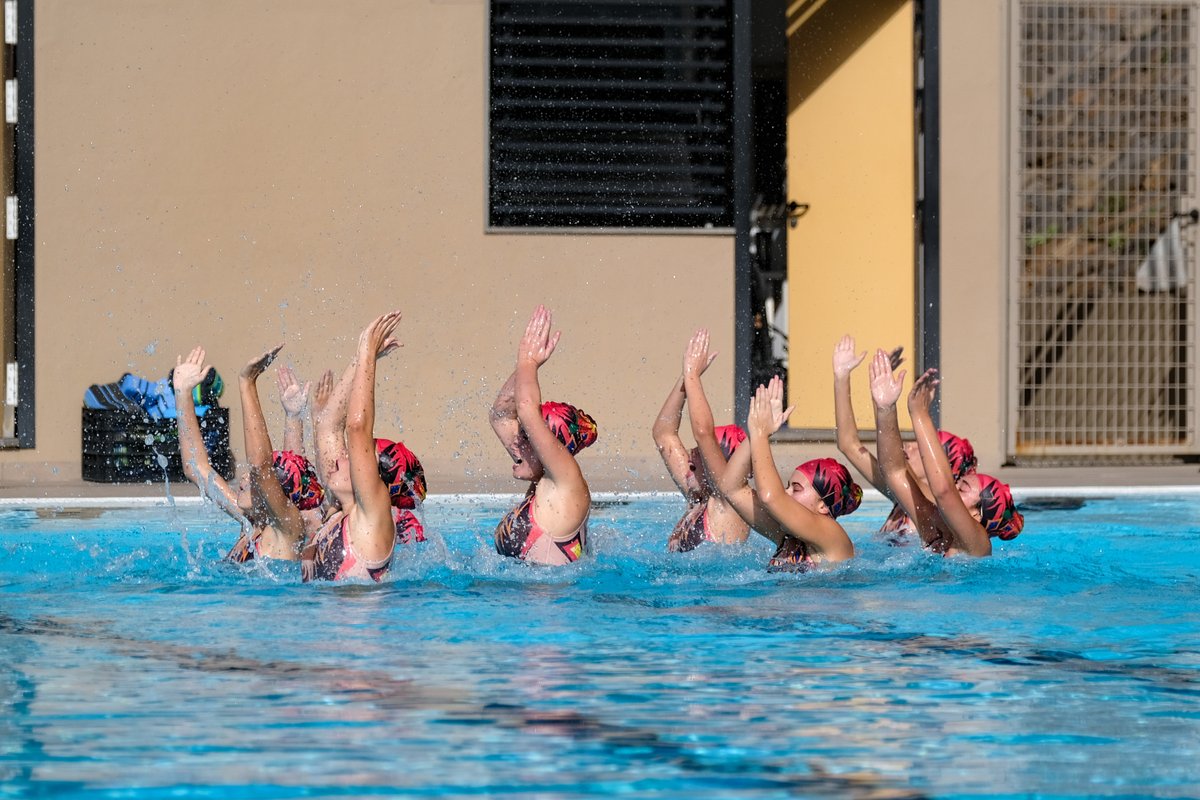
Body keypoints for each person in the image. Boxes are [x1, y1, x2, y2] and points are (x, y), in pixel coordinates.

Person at [303, 311, 427, 582]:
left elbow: (356, 428)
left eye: (355, 456)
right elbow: (328, 427)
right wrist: (360, 361)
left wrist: (368, 352)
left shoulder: (371, 519)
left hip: (363, 624)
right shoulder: (338, 514)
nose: (342, 458)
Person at [173, 345, 324, 563]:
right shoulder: (252, 521)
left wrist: (247, 383)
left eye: (255, 480)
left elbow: (262, 465)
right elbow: (195, 467)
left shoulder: (288, 528)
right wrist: (183, 393)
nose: (244, 477)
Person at [869, 351, 1024, 556]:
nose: (955, 484)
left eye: (962, 488)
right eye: (958, 484)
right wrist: (885, 409)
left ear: (977, 514)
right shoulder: (932, 524)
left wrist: (920, 413)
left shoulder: (979, 544)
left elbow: (944, 491)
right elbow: (894, 470)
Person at [832, 334, 976, 543]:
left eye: (925, 448)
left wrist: (885, 403)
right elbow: (849, 445)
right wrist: (841, 377)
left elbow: (895, 461)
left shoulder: (932, 508)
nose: (911, 446)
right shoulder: (904, 498)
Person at [491, 305, 598, 566]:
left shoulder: (567, 484)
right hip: (527, 601)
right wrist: (524, 367)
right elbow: (502, 415)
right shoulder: (543, 479)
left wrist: (528, 362)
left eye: (528, 437)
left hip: (554, 604)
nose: (516, 441)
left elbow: (526, 410)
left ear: (548, 446)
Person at [655, 330, 749, 552]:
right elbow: (664, 434)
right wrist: (685, 377)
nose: (688, 463)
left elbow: (703, 432)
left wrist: (693, 377)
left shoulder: (729, 503)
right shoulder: (699, 496)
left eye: (697, 461)